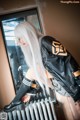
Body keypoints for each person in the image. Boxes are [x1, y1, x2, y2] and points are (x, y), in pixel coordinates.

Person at [4, 21, 80, 112]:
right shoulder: (36, 50)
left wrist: (78, 85)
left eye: (20, 38)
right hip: (58, 88)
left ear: (28, 33)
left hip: (69, 86)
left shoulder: (46, 40)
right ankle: (16, 102)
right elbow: (39, 76)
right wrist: (30, 94)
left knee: (31, 71)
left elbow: (68, 58)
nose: (18, 42)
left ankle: (15, 102)